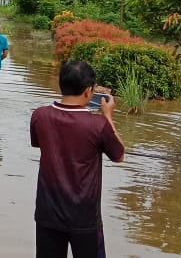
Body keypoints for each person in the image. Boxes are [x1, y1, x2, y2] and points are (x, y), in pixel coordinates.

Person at [30, 61, 125, 258]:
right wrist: (108, 116)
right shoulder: (98, 125)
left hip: (48, 213)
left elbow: (40, 143)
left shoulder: (40, 115)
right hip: (85, 217)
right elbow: (119, 155)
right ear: (89, 91)